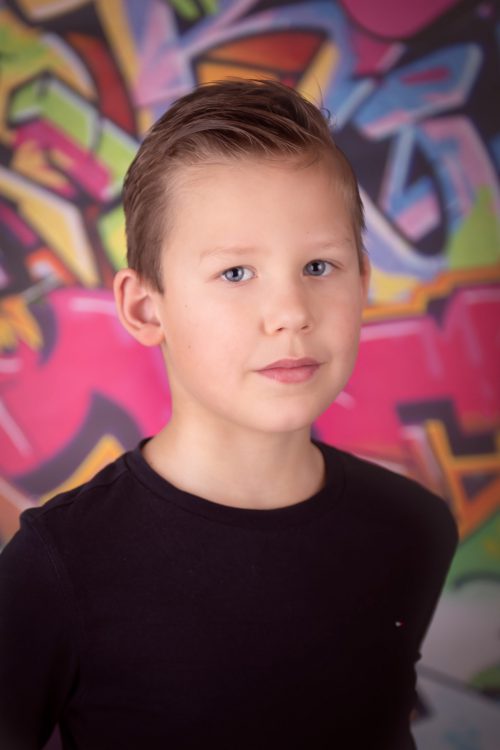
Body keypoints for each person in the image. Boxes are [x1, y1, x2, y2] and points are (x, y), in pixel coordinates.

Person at [0, 79, 458, 750]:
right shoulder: (57, 568)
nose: (291, 313)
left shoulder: (413, 529)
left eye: (319, 266)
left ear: (363, 281)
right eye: (237, 273)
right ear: (145, 308)